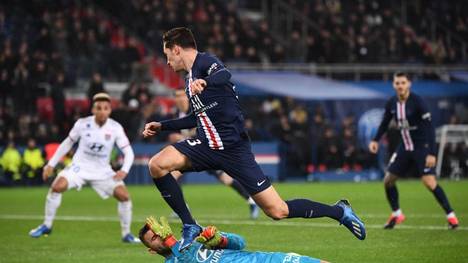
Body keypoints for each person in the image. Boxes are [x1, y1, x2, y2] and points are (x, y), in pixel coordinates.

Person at [142, 27, 366, 250]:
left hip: (233, 149)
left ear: (177, 49)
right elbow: (196, 118)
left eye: (167, 55)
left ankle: (339, 211)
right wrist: (163, 126)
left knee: (277, 211)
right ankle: (190, 224)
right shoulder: (189, 79)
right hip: (205, 145)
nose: (167, 62)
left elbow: (224, 74)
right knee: (157, 165)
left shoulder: (205, 62)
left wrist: (206, 82)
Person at [29, 93, 141, 242]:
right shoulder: (82, 124)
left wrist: (124, 170)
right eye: (98, 108)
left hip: (103, 171)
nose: (102, 111)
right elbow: (67, 143)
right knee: (57, 187)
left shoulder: (115, 128)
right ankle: (46, 225)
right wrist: (50, 164)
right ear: (93, 110)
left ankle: (126, 234)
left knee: (124, 197)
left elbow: (128, 152)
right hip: (79, 167)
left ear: (109, 111)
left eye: (105, 108)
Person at [368, 72, 459, 229]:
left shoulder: (417, 102)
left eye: (403, 83)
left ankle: (451, 216)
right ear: (393, 85)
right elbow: (384, 123)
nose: (400, 86)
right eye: (397, 83)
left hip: (421, 147)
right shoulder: (391, 103)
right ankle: (397, 214)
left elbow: (430, 128)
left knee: (429, 182)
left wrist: (432, 152)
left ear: (409, 84)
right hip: (404, 147)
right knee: (388, 180)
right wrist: (375, 140)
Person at [169, 89, 259, 219]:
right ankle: (182, 208)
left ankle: (251, 200)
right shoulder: (177, 113)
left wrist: (183, 136)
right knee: (172, 175)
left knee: (226, 179)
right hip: (191, 151)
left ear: (187, 97)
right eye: (177, 96)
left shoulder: (195, 108)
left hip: (206, 150)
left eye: (182, 96)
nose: (180, 99)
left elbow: (203, 128)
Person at [139, 216, 328, 263]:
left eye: (159, 232)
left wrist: (221, 240)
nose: (160, 236)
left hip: (263, 259)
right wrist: (171, 242)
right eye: (154, 238)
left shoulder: (194, 239)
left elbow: (241, 243)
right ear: (151, 250)